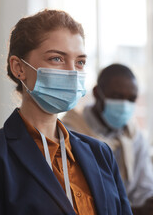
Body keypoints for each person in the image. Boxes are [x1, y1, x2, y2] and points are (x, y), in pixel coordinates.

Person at [0, 10, 132, 215]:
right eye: (57, 59)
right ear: (19, 68)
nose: (72, 72)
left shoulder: (100, 153)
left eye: (80, 62)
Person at [62, 63, 153, 215]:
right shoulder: (71, 135)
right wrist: (134, 211)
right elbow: (79, 199)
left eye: (131, 99)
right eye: (117, 97)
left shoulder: (134, 136)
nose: (125, 105)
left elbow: (143, 189)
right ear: (97, 93)